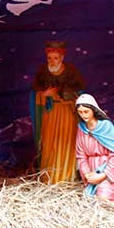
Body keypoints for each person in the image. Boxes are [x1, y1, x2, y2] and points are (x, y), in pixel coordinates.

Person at [30, 40, 84, 183]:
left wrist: (62, 94)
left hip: (67, 114)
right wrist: (43, 95)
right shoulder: (42, 72)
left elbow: (79, 94)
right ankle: (49, 177)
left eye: (55, 58)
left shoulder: (71, 72)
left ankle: (65, 177)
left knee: (65, 143)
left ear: (62, 58)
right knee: (49, 144)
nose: (52, 62)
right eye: (49, 58)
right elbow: (35, 93)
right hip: (50, 114)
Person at [74, 94, 114, 206]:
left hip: (108, 175)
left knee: (104, 199)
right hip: (92, 174)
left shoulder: (106, 127)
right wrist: (87, 174)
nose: (83, 115)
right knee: (90, 203)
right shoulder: (82, 129)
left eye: (86, 111)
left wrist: (103, 175)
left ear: (93, 110)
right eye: (80, 112)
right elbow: (81, 156)